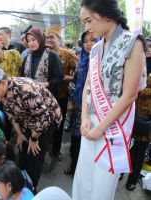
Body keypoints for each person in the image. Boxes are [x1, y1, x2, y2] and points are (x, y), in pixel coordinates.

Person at [73, 0, 146, 199]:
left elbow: (130, 94)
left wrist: (101, 127)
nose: (87, 27)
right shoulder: (96, 48)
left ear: (106, 15)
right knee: (84, 177)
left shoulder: (133, 42)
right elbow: (88, 84)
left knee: (102, 184)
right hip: (91, 125)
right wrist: (85, 118)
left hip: (113, 125)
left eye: (89, 20)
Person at [0, 67, 62, 191]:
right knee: (22, 147)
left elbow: (44, 119)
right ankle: (20, 179)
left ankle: (31, 187)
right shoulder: (1, 92)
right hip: (27, 118)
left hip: (47, 119)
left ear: (3, 82)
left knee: (34, 154)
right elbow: (12, 114)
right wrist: (20, 134)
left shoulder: (26, 91)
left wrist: (33, 138)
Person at [64, 31, 97, 175]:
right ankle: (74, 167)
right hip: (79, 107)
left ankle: (86, 171)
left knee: (90, 142)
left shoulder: (102, 60)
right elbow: (75, 82)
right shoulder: (81, 61)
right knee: (76, 139)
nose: (89, 44)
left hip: (96, 109)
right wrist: (71, 101)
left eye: (93, 40)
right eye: (85, 41)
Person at [45, 24, 78, 161]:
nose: (49, 40)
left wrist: (65, 78)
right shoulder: (42, 53)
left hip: (61, 95)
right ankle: (46, 147)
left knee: (59, 123)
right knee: (45, 123)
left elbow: (79, 74)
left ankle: (56, 150)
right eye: (46, 37)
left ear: (59, 39)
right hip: (45, 96)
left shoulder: (67, 54)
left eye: (52, 37)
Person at [125, 35, 151, 190]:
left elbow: (134, 86)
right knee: (125, 144)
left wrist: (136, 89)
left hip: (146, 115)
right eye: (147, 45)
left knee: (140, 148)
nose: (148, 48)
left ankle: (133, 179)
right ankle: (119, 172)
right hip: (128, 109)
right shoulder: (135, 59)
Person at [21, 27, 64, 99]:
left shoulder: (52, 56)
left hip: (48, 98)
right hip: (31, 98)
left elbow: (59, 77)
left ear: (40, 38)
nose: (31, 43)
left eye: (33, 40)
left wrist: (47, 84)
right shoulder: (27, 58)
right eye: (28, 41)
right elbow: (22, 76)